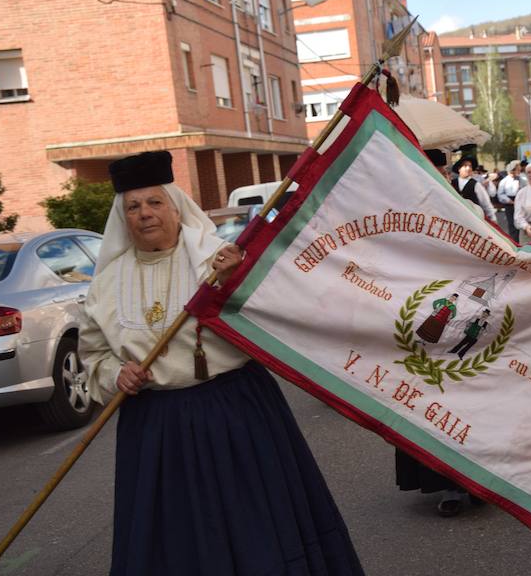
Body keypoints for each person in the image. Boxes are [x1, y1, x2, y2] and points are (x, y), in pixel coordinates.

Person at [80, 151, 365, 576]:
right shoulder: (105, 285)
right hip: (156, 425)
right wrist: (113, 374)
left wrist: (237, 281)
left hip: (235, 409)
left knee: (258, 525)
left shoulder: (218, 259)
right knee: (173, 536)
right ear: (122, 219)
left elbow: (271, 314)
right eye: (133, 207)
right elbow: (93, 356)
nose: (144, 214)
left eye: (155, 202)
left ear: (176, 207)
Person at [451, 155, 497, 222]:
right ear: (459, 169)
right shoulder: (452, 183)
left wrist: (493, 218)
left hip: (473, 219)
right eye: (465, 166)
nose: (468, 168)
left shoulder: (476, 184)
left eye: (470, 166)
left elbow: (486, 203)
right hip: (456, 218)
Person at [497, 160, 526, 242]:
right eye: (517, 169)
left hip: (520, 202)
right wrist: (509, 201)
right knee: (512, 224)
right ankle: (514, 241)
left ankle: (522, 241)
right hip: (509, 203)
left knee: (522, 222)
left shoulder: (522, 180)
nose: (519, 171)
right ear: (512, 170)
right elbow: (500, 194)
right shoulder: (504, 181)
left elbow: (526, 190)